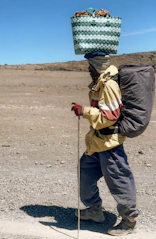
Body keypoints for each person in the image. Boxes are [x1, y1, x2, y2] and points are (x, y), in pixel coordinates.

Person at [71, 52, 139, 236]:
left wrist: (84, 111)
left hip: (110, 144)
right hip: (97, 142)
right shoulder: (100, 83)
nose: (88, 69)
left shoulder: (108, 85)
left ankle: (128, 221)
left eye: (90, 66)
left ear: (97, 66)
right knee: (84, 172)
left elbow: (110, 117)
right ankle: (94, 210)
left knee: (119, 181)